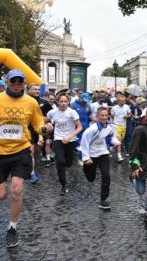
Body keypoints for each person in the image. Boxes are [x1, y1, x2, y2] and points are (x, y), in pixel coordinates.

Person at [0, 69, 53, 248]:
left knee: (16, 189)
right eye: (13, 81)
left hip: (20, 150)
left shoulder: (30, 102)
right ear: (7, 82)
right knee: (1, 194)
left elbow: (38, 123)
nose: (16, 84)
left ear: (24, 83)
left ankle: (12, 228)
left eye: (20, 81)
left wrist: (44, 129)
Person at [80, 107, 120, 210]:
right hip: (91, 156)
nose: (104, 117)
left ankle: (103, 199)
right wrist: (86, 158)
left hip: (103, 154)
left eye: (106, 115)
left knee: (106, 176)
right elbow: (84, 143)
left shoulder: (111, 126)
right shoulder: (92, 129)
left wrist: (115, 142)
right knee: (91, 178)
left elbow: (112, 137)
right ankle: (85, 168)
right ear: (97, 117)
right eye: (102, 115)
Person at [47, 93, 83, 195]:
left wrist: (69, 137)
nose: (63, 103)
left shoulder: (72, 112)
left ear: (68, 102)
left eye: (65, 101)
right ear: (57, 102)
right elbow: (46, 119)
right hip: (58, 139)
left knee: (68, 163)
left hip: (70, 140)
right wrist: (47, 125)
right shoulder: (52, 112)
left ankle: (67, 163)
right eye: (61, 101)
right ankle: (63, 184)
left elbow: (79, 127)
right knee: (60, 161)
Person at [26, 83, 53, 183]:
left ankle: (32, 163)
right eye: (34, 89)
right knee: (31, 152)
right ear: (29, 90)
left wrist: (47, 121)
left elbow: (51, 115)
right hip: (28, 130)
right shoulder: (25, 101)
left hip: (40, 130)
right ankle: (32, 173)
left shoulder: (44, 102)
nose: (37, 91)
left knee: (37, 151)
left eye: (38, 89)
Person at [111, 93, 131, 162]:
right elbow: (111, 116)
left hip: (124, 126)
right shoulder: (114, 108)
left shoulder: (126, 107)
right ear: (118, 101)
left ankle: (115, 150)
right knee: (119, 142)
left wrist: (127, 116)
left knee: (120, 142)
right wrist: (112, 124)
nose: (123, 103)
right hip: (116, 126)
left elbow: (130, 114)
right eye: (121, 101)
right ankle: (119, 156)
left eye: (124, 101)